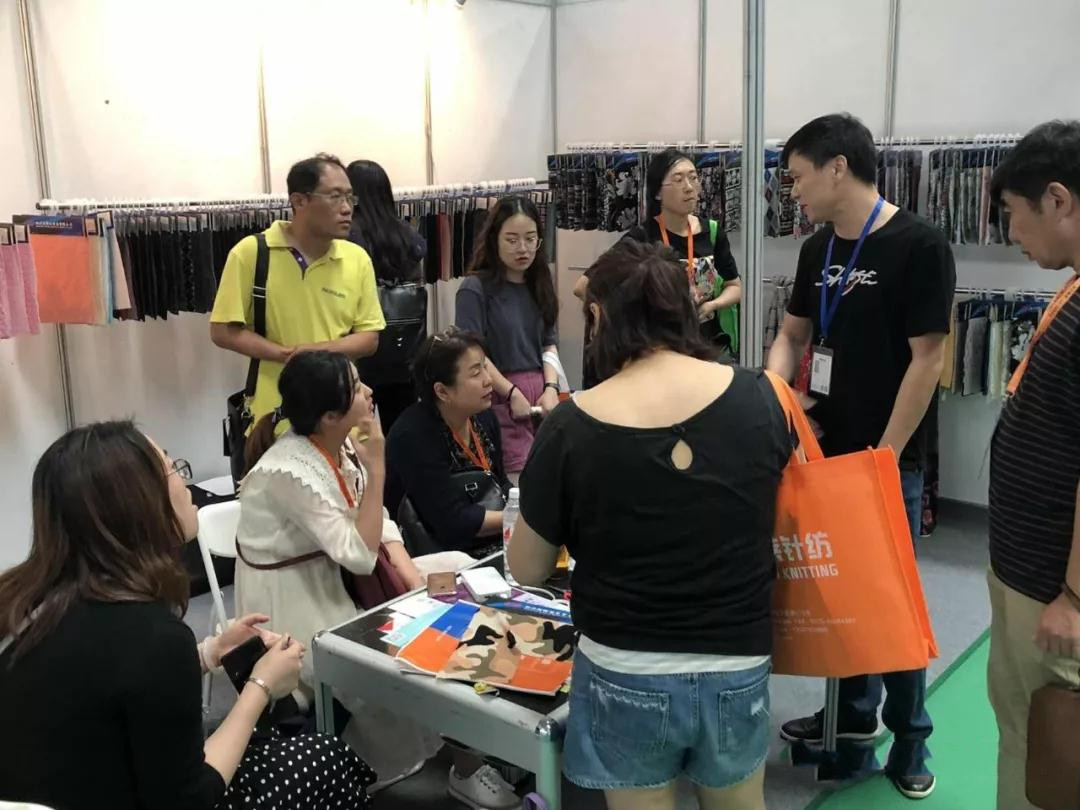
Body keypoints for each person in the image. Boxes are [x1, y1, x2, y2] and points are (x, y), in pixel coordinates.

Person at [508, 240, 791, 810]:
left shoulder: (571, 425)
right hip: (737, 655)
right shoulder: (760, 396)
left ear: (599, 318)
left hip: (624, 664)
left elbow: (528, 567)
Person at [0, 421, 374, 810]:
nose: (185, 482)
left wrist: (210, 652)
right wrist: (260, 685)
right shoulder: (151, 636)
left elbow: (111, 688)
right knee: (326, 758)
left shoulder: (34, 607)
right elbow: (190, 799)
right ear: (140, 502)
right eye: (172, 468)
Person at [765, 113, 955, 800]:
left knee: (888, 602)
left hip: (885, 462)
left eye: (797, 177)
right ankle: (848, 716)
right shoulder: (818, 248)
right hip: (821, 454)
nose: (793, 191)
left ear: (838, 167)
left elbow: (928, 359)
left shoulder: (919, 244)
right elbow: (792, 334)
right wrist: (776, 396)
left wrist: (886, 455)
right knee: (835, 595)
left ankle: (910, 740)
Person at [235, 350, 518, 809]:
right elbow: (359, 554)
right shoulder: (289, 473)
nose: (369, 392)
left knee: (462, 569)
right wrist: (378, 466)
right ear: (330, 415)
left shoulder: (339, 442)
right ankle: (460, 764)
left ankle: (483, 732)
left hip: (341, 577)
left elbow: (375, 521)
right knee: (407, 649)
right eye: (356, 388)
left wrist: (405, 569)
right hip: (295, 601)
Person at [984, 120, 1080, 810]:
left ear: (1057, 199)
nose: (1012, 233)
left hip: (1053, 587)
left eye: (1013, 213)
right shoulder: (1074, 290)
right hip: (1029, 570)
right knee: (1022, 729)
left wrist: (1073, 595)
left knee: (1046, 744)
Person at [210, 153, 386, 438]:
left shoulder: (357, 259)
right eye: (335, 196)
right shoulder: (251, 253)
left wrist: (313, 353)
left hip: (343, 419)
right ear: (299, 201)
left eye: (350, 197)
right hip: (274, 417)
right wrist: (283, 354)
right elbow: (223, 331)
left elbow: (369, 338)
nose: (347, 208)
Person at [455, 195, 562, 476]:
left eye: (530, 239)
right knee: (515, 479)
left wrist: (551, 388)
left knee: (549, 474)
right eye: (512, 240)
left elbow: (549, 342)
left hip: (542, 395)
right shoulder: (475, 288)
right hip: (498, 394)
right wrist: (510, 392)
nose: (522, 248)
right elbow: (472, 352)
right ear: (495, 240)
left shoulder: (540, 283)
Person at [386, 328, 512, 557]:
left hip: (492, 542)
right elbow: (450, 522)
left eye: (485, 367)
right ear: (442, 391)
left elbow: (500, 483)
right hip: (438, 556)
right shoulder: (413, 435)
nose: (488, 380)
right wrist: (517, 518)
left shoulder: (484, 416)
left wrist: (523, 507)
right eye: (476, 373)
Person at [625, 147, 742, 353]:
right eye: (678, 180)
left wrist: (712, 305)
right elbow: (585, 286)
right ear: (658, 192)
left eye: (693, 178)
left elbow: (735, 287)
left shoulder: (712, 231)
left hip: (707, 344)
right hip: (658, 348)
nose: (689, 187)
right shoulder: (642, 236)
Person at [347, 158, 428, 434]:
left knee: (360, 431)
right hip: (404, 347)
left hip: (362, 347)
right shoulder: (406, 233)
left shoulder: (348, 236)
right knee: (402, 428)